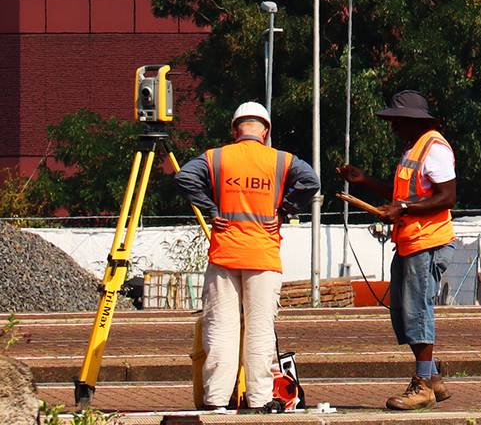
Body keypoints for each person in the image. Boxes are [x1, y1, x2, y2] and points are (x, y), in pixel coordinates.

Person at [175, 101, 319, 412]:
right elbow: (311, 182)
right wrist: (285, 211)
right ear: (265, 131)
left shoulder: (216, 158)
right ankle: (259, 399)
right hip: (263, 255)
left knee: (221, 329)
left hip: (224, 254)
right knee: (260, 330)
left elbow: (184, 178)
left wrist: (211, 209)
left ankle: (215, 401)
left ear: (234, 129)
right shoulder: (281, 160)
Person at [337, 90, 456, 411]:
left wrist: (402, 208)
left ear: (413, 121)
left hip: (427, 242)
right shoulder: (413, 149)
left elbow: (447, 197)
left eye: (396, 122)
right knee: (404, 312)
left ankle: (422, 386)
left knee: (417, 311)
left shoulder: (435, 147)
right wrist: (365, 181)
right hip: (410, 242)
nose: (392, 128)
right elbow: (403, 192)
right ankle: (432, 377)